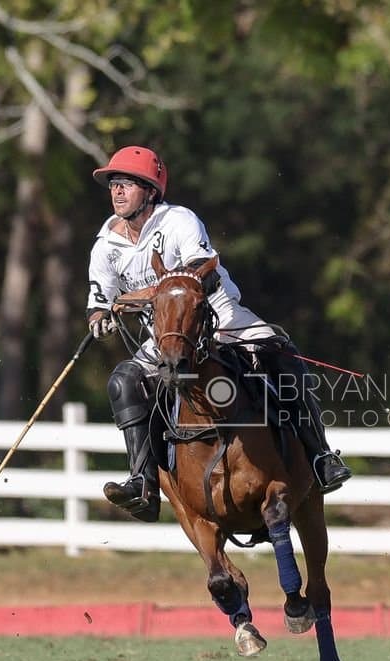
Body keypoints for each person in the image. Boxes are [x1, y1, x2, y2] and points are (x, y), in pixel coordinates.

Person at [85, 145, 352, 522]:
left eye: (127, 183)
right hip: (166, 338)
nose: (117, 191)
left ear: (150, 191)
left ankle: (320, 455)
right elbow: (99, 298)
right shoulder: (106, 245)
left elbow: (199, 272)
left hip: (220, 317)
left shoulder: (178, 221)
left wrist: (137, 297)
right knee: (122, 381)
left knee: (282, 353)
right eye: (114, 184)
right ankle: (142, 483)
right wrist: (99, 316)